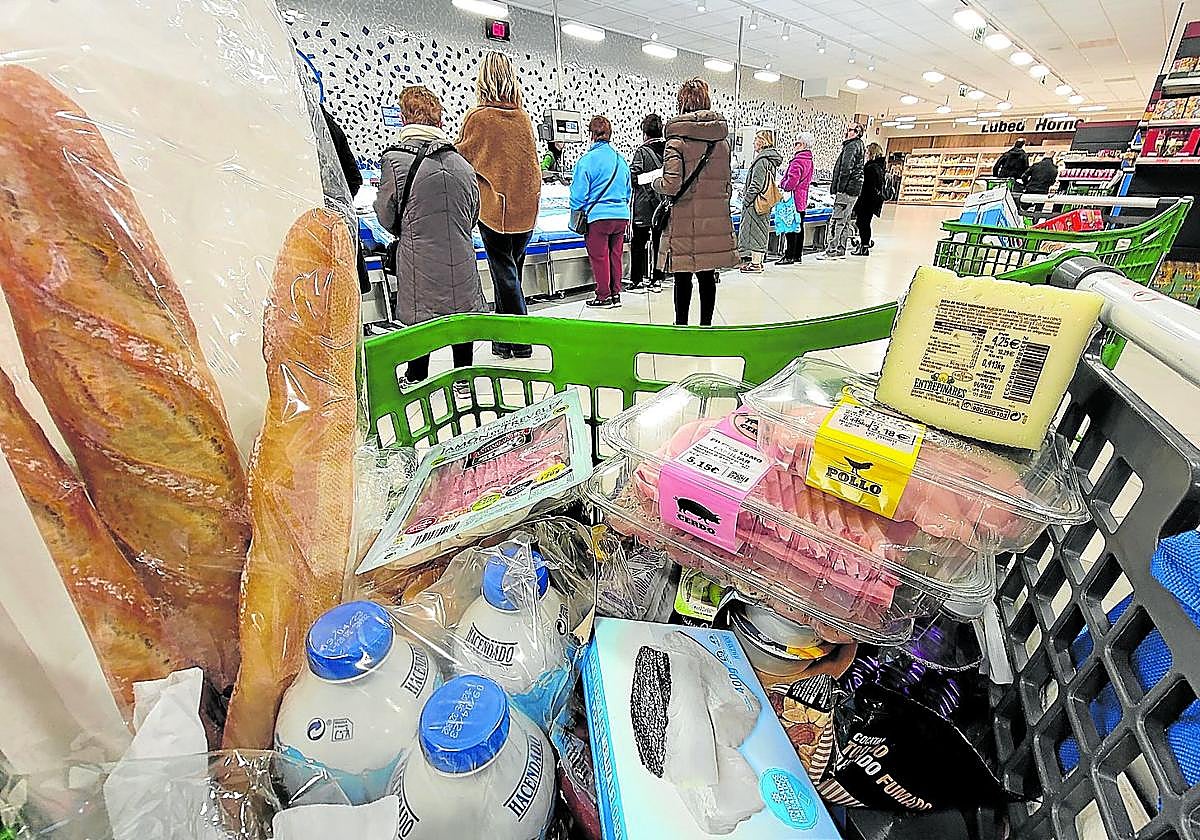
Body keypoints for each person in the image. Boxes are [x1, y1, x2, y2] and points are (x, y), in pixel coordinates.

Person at [375, 87, 485, 395]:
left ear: (404, 116)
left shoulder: (395, 162)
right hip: (461, 253)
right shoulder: (463, 164)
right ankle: (463, 377)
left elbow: (386, 215)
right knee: (461, 315)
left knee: (420, 315)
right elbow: (473, 212)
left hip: (418, 254)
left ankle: (416, 375)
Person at [456, 51, 541, 359]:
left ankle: (522, 340)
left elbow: (460, 158)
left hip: (496, 211)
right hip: (526, 211)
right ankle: (502, 341)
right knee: (511, 273)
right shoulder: (522, 117)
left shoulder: (478, 118)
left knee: (504, 274)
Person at [653, 78, 737, 326]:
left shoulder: (676, 141)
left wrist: (655, 182)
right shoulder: (722, 142)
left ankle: (682, 329)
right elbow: (726, 184)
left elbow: (671, 184)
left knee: (682, 277)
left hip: (684, 219)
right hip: (712, 219)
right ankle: (706, 328)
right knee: (707, 276)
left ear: (681, 103)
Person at [570, 116, 632, 308]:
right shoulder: (620, 161)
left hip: (598, 217)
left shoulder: (586, 161)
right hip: (621, 216)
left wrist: (577, 209)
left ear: (591, 135)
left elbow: (578, 194)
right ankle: (616, 294)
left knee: (600, 256)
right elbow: (628, 190)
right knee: (615, 255)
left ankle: (603, 296)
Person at [628, 113, 667, 293]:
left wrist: (648, 179)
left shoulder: (642, 152)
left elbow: (633, 177)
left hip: (644, 207)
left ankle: (637, 280)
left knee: (639, 243)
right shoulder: (669, 150)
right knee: (660, 244)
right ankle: (657, 279)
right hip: (663, 206)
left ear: (645, 132)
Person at [737, 130, 783, 273]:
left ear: (762, 141)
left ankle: (755, 264)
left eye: (756, 139)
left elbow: (756, 185)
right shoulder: (770, 160)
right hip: (764, 202)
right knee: (761, 230)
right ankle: (757, 262)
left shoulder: (761, 161)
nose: (753, 142)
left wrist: (746, 200)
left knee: (755, 232)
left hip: (756, 202)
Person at [818, 122, 865, 260]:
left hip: (846, 191)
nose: (847, 132)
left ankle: (831, 250)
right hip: (854, 190)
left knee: (837, 220)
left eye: (850, 130)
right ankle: (840, 249)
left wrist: (840, 188)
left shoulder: (851, 146)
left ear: (856, 132)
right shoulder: (859, 146)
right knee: (845, 220)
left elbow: (846, 169)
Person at [777, 132, 815, 265]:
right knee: (799, 227)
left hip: (792, 199)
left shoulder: (798, 160)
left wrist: (782, 184)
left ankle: (789, 256)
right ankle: (797, 255)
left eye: (796, 143)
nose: (794, 145)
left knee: (790, 228)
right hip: (801, 199)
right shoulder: (809, 160)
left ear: (803, 145)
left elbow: (792, 181)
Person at [852, 142, 887, 257]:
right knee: (865, 223)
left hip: (866, 201)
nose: (866, 154)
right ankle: (865, 244)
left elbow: (868, 187)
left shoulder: (870, 168)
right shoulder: (880, 167)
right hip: (873, 202)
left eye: (867, 152)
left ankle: (864, 247)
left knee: (862, 223)